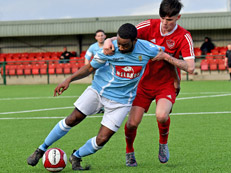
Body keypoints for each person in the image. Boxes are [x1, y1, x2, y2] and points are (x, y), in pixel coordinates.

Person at [27, 23, 166, 171]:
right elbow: (89, 67)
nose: (121, 47)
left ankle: (76, 156)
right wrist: (69, 79)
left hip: (122, 101)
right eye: (119, 43)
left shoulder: (147, 49)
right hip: (98, 91)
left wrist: (174, 77)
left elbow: (163, 52)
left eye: (125, 45)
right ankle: (41, 150)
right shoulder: (110, 49)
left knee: (102, 140)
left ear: (135, 41)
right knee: (73, 119)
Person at [103, 0, 195, 167]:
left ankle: (163, 144)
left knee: (161, 115)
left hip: (166, 84)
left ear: (178, 17)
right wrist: (109, 40)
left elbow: (190, 68)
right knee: (132, 123)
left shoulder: (184, 36)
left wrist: (166, 56)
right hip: (142, 83)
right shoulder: (149, 25)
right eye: (163, 19)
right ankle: (129, 152)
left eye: (170, 20)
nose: (165, 24)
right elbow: (126, 36)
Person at [85, 29, 107, 113]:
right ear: (95, 37)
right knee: (97, 90)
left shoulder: (110, 44)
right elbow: (87, 58)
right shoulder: (92, 47)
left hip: (110, 71)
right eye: (98, 36)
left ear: (105, 36)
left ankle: (108, 107)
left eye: (102, 35)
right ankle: (99, 107)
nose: (100, 37)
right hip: (98, 73)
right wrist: (89, 69)